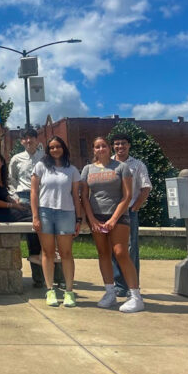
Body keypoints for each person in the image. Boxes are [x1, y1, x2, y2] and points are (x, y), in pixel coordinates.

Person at [80, 136, 144, 313]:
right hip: (96, 216)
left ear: (109, 148)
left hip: (118, 216)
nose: (101, 149)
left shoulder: (122, 168)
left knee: (121, 253)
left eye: (104, 146)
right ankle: (110, 292)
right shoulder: (87, 169)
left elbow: (127, 196)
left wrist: (113, 219)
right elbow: (85, 196)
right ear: (94, 150)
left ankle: (135, 296)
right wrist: (91, 219)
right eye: (97, 147)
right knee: (103, 253)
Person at [30, 137, 82, 307]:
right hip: (45, 212)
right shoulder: (41, 166)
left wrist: (78, 218)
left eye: (58, 147)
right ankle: (50, 289)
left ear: (63, 148)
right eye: (51, 147)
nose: (55, 150)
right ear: (48, 150)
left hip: (66, 213)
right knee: (47, 252)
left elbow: (76, 195)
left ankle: (69, 291)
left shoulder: (72, 170)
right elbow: (34, 193)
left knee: (66, 253)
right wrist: (35, 216)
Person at [111, 133, 152, 298]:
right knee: (114, 250)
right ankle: (119, 285)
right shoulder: (108, 164)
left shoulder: (137, 165)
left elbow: (146, 187)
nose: (120, 147)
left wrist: (135, 207)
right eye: (117, 144)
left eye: (123, 144)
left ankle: (132, 286)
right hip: (110, 213)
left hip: (128, 212)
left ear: (129, 145)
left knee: (130, 249)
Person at [9, 127, 46, 287]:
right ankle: (38, 279)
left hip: (42, 197)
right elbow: (11, 180)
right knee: (32, 238)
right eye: (25, 138)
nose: (29, 141)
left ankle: (55, 277)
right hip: (23, 197)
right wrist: (16, 197)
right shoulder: (16, 159)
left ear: (36, 140)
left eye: (31, 138)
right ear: (21, 141)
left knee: (47, 238)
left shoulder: (44, 158)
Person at [0, 151, 31, 222]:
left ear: (2, 162)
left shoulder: (2, 177)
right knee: (29, 216)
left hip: (6, 208)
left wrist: (15, 203)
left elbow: (5, 195)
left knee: (29, 208)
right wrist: (13, 205)